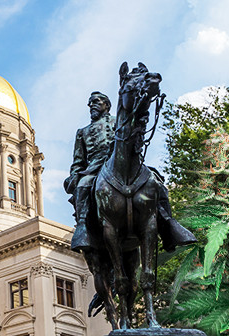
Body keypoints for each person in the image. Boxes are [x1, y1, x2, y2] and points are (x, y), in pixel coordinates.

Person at [64, 91, 196, 254]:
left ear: (107, 105)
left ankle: (168, 224)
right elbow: (78, 161)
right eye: (90, 103)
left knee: (156, 182)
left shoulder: (120, 122)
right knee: (83, 186)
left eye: (96, 101)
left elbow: (135, 138)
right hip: (95, 167)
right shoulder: (82, 132)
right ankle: (83, 226)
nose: (92, 105)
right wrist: (75, 176)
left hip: (121, 161)